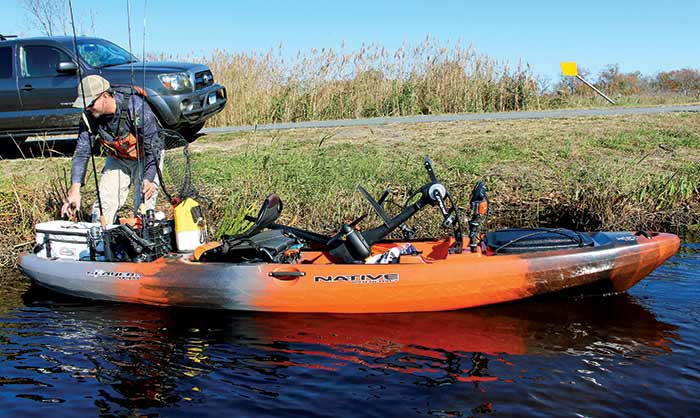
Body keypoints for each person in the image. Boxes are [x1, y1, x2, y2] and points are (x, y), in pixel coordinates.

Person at [61, 75, 163, 224]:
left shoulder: (137, 108)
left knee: (143, 210)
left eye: (90, 103)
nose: (87, 108)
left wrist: (148, 179)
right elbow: (82, 152)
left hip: (147, 158)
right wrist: (75, 190)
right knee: (103, 207)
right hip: (118, 159)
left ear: (104, 96)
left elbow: (153, 148)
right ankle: (101, 243)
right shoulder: (89, 116)